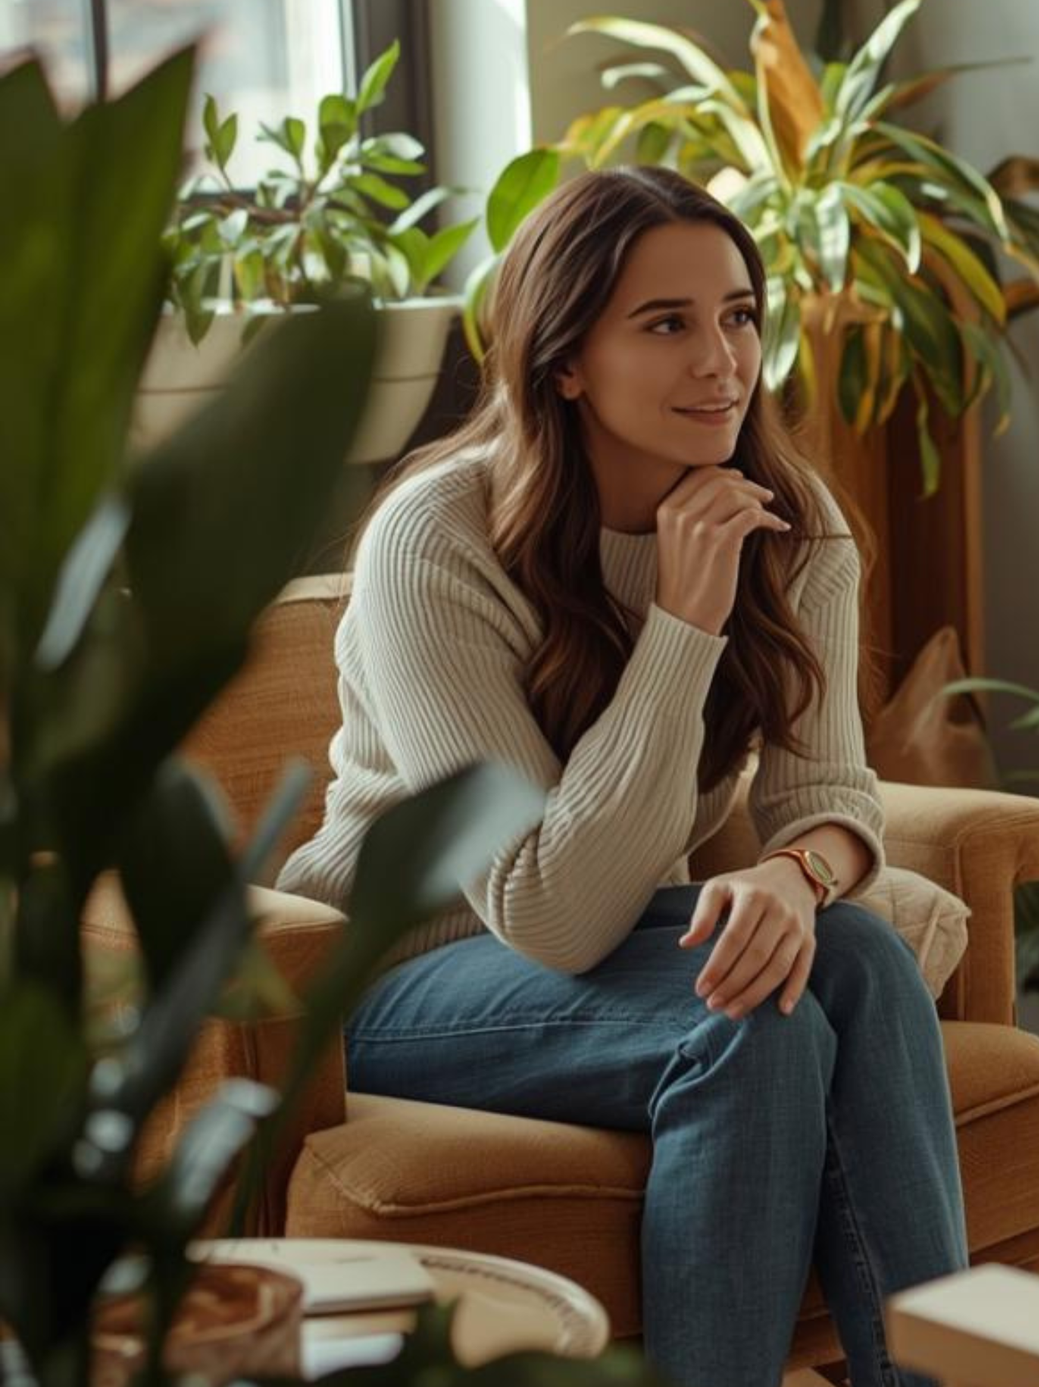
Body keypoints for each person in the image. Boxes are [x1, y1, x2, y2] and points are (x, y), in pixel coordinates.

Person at [276, 166, 964, 1387]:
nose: (723, 361)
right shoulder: (437, 541)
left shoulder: (792, 523)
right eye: (667, 323)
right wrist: (685, 622)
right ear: (563, 360)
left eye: (740, 315)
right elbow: (550, 910)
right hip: (391, 978)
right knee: (743, 1018)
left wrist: (797, 877)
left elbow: (833, 803)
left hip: (594, 955)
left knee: (849, 957)